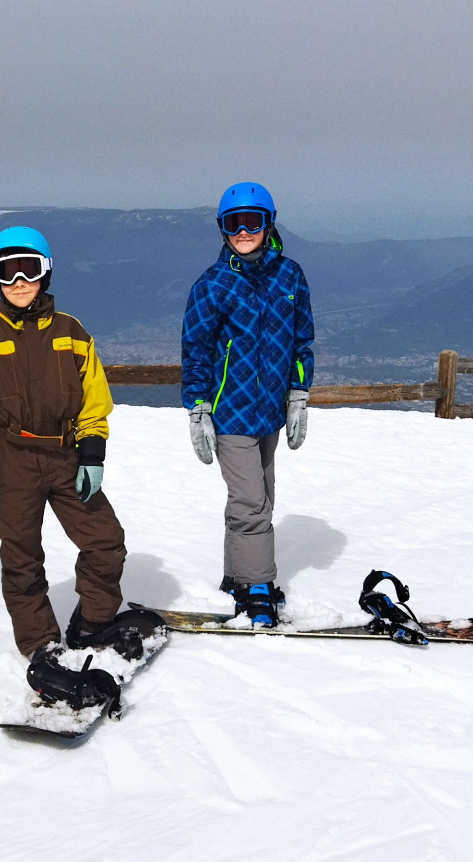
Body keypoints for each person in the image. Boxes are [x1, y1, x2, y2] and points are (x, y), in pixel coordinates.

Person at [0, 226, 161, 700]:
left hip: (66, 455)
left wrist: (92, 450)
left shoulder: (72, 333)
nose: (20, 280)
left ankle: (93, 623)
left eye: (30, 268)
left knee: (105, 542)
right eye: (8, 271)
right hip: (12, 459)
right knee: (22, 558)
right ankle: (41, 644)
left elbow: (93, 398)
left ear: (46, 272)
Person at [180, 182, 315, 627]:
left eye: (251, 222)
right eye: (233, 223)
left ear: (268, 224)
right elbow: (195, 349)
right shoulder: (214, 284)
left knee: (260, 496)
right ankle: (257, 586)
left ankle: (235, 574)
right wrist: (199, 407)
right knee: (251, 500)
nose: (243, 231)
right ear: (222, 229)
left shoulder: (290, 276)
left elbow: (302, 340)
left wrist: (298, 393)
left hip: (271, 411)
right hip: (231, 411)